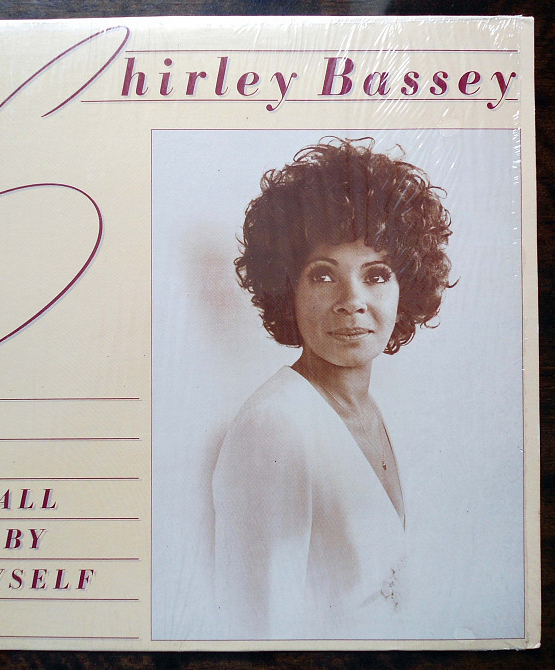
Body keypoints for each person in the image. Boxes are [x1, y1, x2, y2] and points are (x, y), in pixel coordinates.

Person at [212, 138, 453, 639]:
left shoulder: (385, 410)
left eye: (377, 275)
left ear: (407, 285)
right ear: (287, 288)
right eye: (323, 276)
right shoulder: (274, 427)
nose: (353, 301)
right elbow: (254, 629)